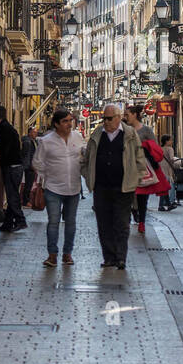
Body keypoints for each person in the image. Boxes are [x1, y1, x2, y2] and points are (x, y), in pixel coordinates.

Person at [81, 103, 145, 270]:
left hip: (124, 187)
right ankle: (109, 257)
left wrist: (135, 178)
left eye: (109, 119)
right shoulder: (97, 134)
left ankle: (121, 257)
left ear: (118, 118)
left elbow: (139, 158)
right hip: (101, 187)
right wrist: (89, 177)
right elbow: (86, 160)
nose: (106, 122)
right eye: (104, 118)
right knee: (104, 223)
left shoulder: (130, 134)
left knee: (122, 223)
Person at [33, 109, 85, 268]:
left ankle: (67, 254)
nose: (69, 124)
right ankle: (52, 255)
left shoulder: (78, 137)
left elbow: (82, 157)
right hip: (53, 188)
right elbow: (37, 162)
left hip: (74, 188)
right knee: (53, 222)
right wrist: (46, 177)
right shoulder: (46, 141)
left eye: (70, 120)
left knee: (70, 223)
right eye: (65, 121)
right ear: (56, 124)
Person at [124, 103, 161, 232]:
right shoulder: (124, 130)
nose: (125, 117)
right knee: (127, 195)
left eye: (127, 115)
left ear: (135, 115)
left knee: (142, 197)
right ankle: (129, 218)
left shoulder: (146, 131)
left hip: (142, 167)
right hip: (127, 167)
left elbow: (155, 147)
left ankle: (142, 222)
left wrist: (143, 148)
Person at [0, 105, 26, 234]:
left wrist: (3, 161)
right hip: (16, 165)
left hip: (11, 166)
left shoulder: (3, 128)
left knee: (12, 196)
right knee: (13, 194)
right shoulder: (9, 127)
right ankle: (8, 223)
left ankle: (20, 220)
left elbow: (5, 148)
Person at [158, 134, 180, 211]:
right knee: (166, 187)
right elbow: (171, 159)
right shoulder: (170, 149)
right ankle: (161, 205)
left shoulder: (160, 148)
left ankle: (167, 204)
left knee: (165, 187)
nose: (172, 141)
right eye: (171, 140)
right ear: (166, 141)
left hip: (160, 169)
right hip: (167, 170)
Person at [20, 125, 38, 205]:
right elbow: (28, 155)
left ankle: (26, 200)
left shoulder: (33, 141)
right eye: (34, 132)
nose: (36, 134)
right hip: (30, 166)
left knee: (29, 184)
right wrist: (31, 165)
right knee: (28, 184)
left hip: (30, 165)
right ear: (30, 133)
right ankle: (25, 201)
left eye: (36, 132)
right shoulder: (28, 142)